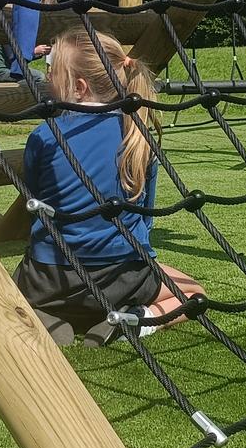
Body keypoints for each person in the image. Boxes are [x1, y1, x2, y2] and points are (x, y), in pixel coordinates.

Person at [13, 30, 203, 346]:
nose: (47, 77)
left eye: (52, 71)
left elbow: (33, 196)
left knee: (8, 295)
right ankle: (135, 321)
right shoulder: (137, 137)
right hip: (123, 277)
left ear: (78, 87)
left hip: (49, 278)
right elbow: (145, 217)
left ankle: (48, 320)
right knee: (194, 293)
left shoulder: (44, 136)